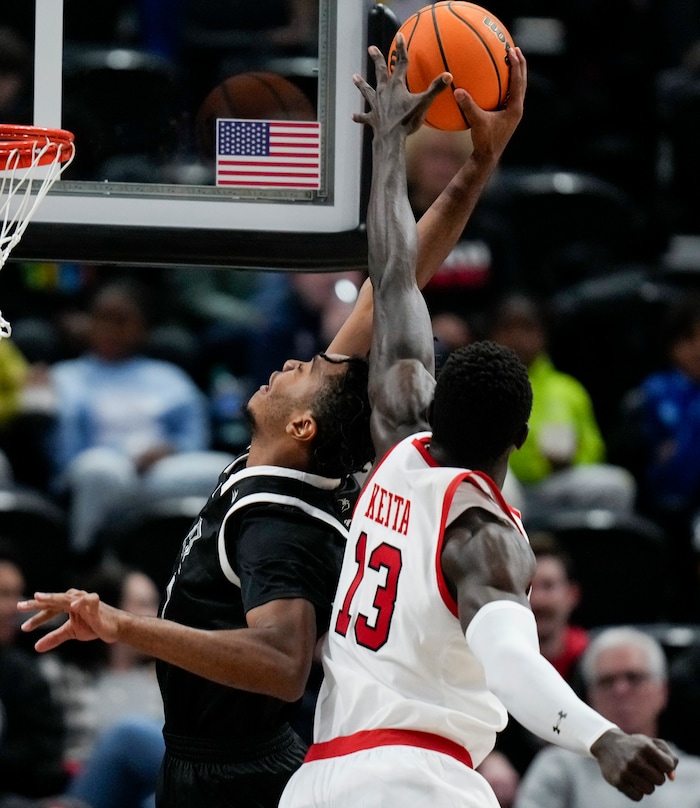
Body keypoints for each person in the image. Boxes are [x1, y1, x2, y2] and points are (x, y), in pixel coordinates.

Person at [17, 34, 537, 808]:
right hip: (219, 760)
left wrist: (124, 627)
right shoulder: (284, 464)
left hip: (243, 776)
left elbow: (283, 661)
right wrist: (476, 167)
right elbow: (395, 279)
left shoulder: (280, 523)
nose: (298, 363)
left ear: (301, 429)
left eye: (310, 372)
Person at [278, 37, 676, 808]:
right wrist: (603, 736)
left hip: (320, 777)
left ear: (433, 399)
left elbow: (394, 273)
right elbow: (511, 662)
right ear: (517, 440)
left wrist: (390, 144)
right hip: (416, 780)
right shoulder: (482, 531)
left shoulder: (398, 432)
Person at [44, 278, 234, 557]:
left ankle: (208, 561)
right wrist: (123, 457)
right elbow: (63, 451)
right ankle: (84, 559)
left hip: (158, 472)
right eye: (102, 319)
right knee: (101, 469)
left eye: (121, 321)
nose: (110, 329)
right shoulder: (64, 377)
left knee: (221, 471)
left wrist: (172, 449)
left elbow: (194, 435)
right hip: (101, 470)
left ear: (143, 328)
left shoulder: (168, 377)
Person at [486, 291, 637, 523]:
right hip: (505, 481)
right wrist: (533, 462)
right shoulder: (481, 383)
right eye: (508, 328)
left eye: (526, 328)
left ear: (542, 335)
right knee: (499, 488)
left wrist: (573, 457)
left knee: (618, 485)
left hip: (558, 484)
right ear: (492, 335)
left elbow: (595, 448)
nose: (517, 338)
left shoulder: (568, 389)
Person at [515, 627, 700, 808]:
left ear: (662, 692)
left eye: (634, 678)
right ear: (590, 696)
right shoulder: (559, 767)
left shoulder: (695, 778)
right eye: (607, 682)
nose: (620, 691)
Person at [0, 541, 68, 802]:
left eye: (17, 595)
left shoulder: (23, 672)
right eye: (3, 594)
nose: (14, 608)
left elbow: (47, 762)